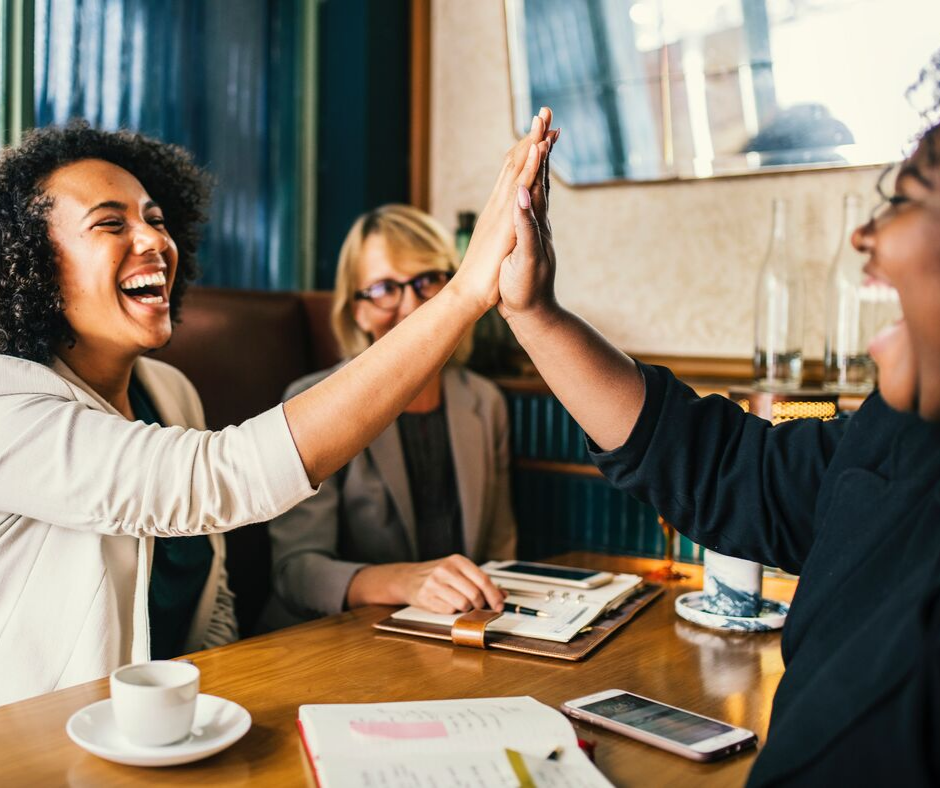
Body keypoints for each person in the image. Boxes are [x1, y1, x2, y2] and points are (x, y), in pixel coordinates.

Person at [0, 110, 554, 706]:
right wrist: (467, 291)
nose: (154, 241)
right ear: (30, 263)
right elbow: (221, 478)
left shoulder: (169, 391)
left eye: (157, 220)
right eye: (111, 224)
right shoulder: (10, 405)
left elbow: (212, 599)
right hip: (44, 744)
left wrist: (227, 706)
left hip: (175, 730)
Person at [497, 91, 940, 782]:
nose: (865, 235)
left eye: (906, 199)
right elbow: (731, 471)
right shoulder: (899, 433)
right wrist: (534, 315)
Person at [263, 205, 517, 627]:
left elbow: (501, 552)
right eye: (384, 288)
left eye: (427, 280)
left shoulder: (485, 402)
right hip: (337, 639)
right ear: (356, 310)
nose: (412, 305)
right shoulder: (309, 402)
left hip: (454, 636)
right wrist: (404, 582)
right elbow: (296, 573)